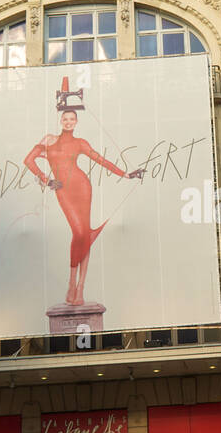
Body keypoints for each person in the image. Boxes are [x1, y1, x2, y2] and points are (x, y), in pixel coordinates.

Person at [23, 77, 147, 307]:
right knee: (80, 233)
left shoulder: (80, 142)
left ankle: (80, 288)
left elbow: (101, 160)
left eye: (72, 119)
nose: (68, 122)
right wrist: (47, 180)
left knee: (85, 234)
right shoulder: (48, 140)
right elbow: (28, 160)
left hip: (83, 187)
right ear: (60, 120)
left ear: (76, 122)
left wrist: (126, 174)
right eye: (65, 119)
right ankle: (72, 283)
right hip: (63, 190)